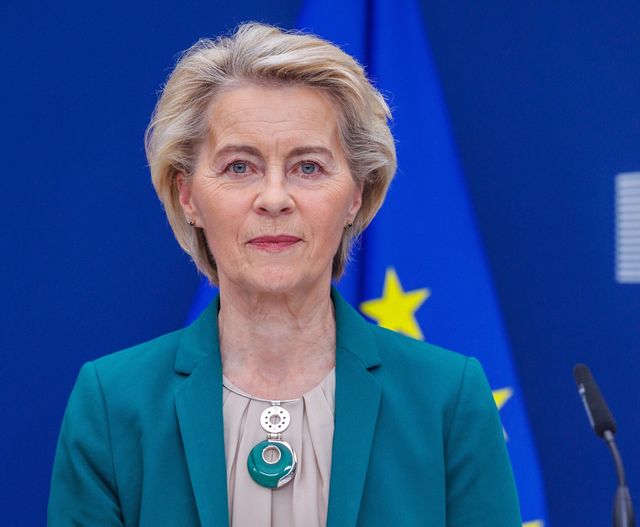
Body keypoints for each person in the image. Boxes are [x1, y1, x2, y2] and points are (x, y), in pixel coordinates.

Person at [48, 22, 522, 527]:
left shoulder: (447, 398)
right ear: (188, 196)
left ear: (356, 195)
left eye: (308, 167)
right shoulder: (112, 402)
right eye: (239, 167)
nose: (274, 198)